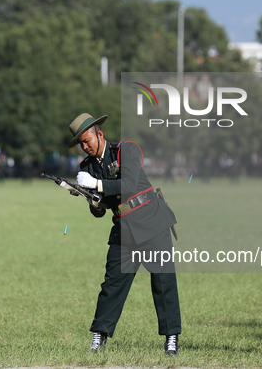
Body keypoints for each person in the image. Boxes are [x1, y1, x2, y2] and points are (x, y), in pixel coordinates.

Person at [68, 113, 182, 355]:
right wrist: (90, 198)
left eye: (87, 140)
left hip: (152, 221)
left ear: (99, 134)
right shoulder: (87, 167)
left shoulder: (125, 150)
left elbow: (129, 185)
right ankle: (99, 337)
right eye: (81, 144)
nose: (85, 146)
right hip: (123, 228)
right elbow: (99, 210)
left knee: (163, 282)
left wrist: (96, 184)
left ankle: (171, 338)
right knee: (112, 284)